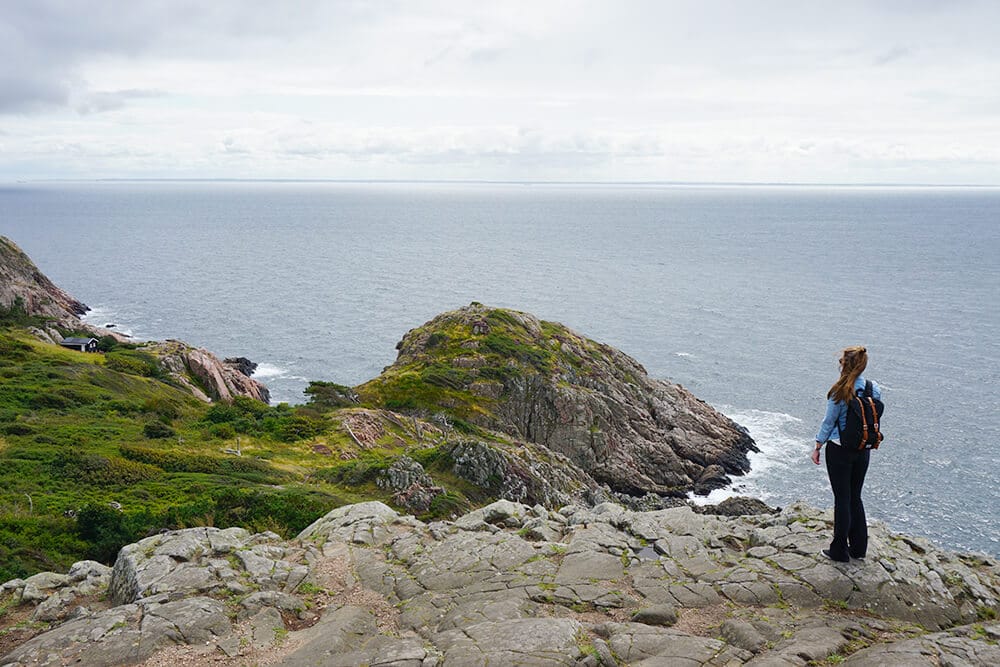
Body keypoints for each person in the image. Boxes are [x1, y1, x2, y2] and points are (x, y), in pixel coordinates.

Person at [811, 346, 881, 562]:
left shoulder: (839, 391)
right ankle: (859, 548)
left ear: (844, 364)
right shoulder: (873, 388)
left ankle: (839, 550)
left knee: (842, 498)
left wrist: (817, 446)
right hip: (863, 449)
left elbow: (829, 422)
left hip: (839, 449)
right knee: (855, 496)